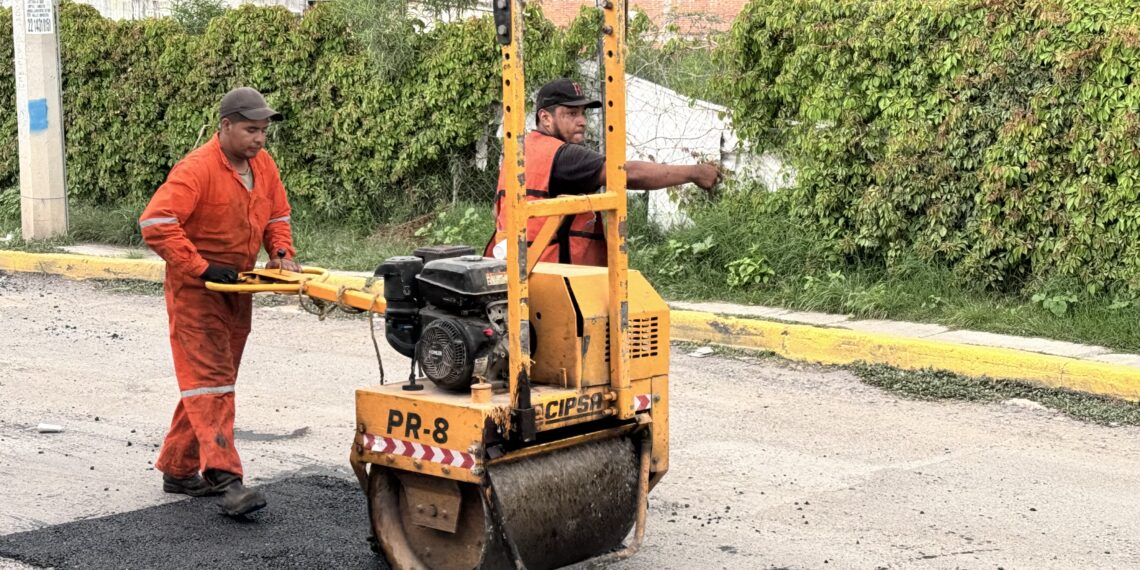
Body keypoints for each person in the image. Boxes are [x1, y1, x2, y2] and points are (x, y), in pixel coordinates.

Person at [139, 87, 300, 517]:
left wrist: (281, 255)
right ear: (225, 126)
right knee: (212, 382)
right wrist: (200, 267)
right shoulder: (196, 169)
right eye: (251, 130)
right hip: (196, 291)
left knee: (212, 383)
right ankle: (227, 479)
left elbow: (278, 216)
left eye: (263, 131)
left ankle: (178, 468)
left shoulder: (262, 167)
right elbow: (156, 222)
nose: (259, 139)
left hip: (237, 290)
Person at [485, 78, 721, 265]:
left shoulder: (522, 149)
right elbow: (627, 173)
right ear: (545, 117)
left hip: (519, 266)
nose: (582, 121)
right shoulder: (565, 156)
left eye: (583, 113)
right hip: (555, 274)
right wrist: (694, 173)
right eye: (571, 114)